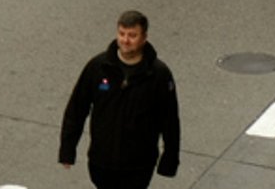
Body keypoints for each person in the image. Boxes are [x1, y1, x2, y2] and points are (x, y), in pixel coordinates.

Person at [58, 10, 183, 188]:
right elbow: (77, 109)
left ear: (144, 38)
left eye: (132, 35)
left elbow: (170, 120)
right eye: (122, 34)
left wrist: (170, 160)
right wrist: (67, 150)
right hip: (101, 161)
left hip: (138, 165)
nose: (125, 40)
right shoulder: (98, 67)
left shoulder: (159, 74)